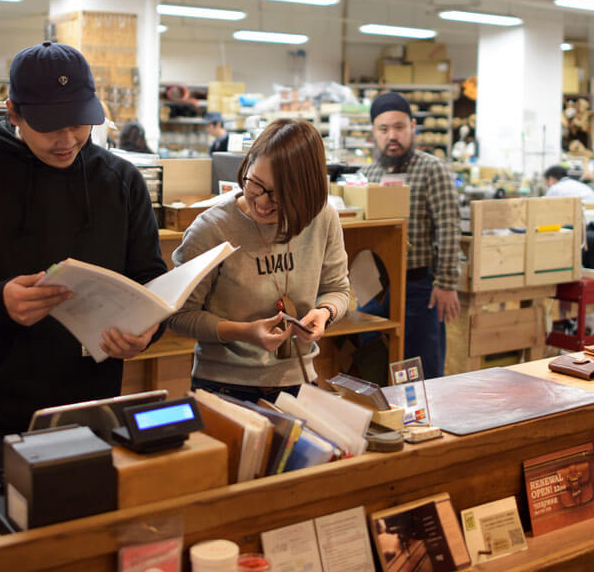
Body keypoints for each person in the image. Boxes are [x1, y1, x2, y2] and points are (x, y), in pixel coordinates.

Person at [0, 41, 167, 467]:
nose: (68, 140)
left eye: (80, 123)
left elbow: (150, 279)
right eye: (50, 126)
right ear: (13, 112)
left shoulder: (121, 180)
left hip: (93, 411)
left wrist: (147, 332)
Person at [168, 118, 350, 402]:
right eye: (256, 184)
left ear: (306, 194)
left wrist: (325, 313)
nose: (263, 203)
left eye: (279, 196)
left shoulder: (322, 217)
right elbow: (179, 316)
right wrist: (243, 332)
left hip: (300, 382)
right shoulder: (212, 228)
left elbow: (338, 290)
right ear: (246, 166)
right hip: (225, 386)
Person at [359, 92, 460, 379]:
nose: (392, 136)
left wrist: (447, 282)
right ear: (373, 133)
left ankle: (427, 424)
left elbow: (448, 226)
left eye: (399, 127)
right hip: (375, 289)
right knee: (372, 364)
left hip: (419, 288)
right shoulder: (368, 173)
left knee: (422, 368)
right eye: (384, 129)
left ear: (413, 127)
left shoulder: (432, 170)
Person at [544, 164, 594, 269]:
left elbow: (544, 210)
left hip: (579, 223)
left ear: (551, 179)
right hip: (588, 223)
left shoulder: (555, 188)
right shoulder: (581, 185)